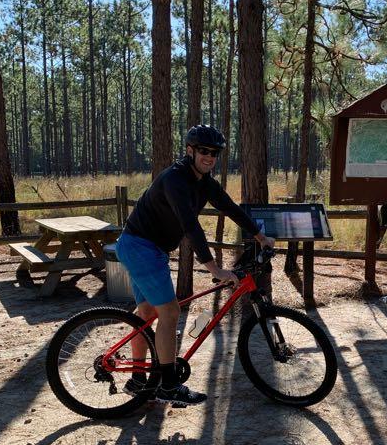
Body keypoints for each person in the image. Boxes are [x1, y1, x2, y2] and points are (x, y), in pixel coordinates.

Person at [115, 124, 275, 406]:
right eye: (203, 151)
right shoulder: (174, 180)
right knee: (170, 311)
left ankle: (139, 379)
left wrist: (261, 236)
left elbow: (230, 207)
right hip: (140, 246)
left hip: (148, 249)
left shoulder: (204, 182)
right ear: (190, 151)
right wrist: (214, 268)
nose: (209, 157)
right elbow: (190, 225)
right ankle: (168, 386)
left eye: (214, 153)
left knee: (147, 312)